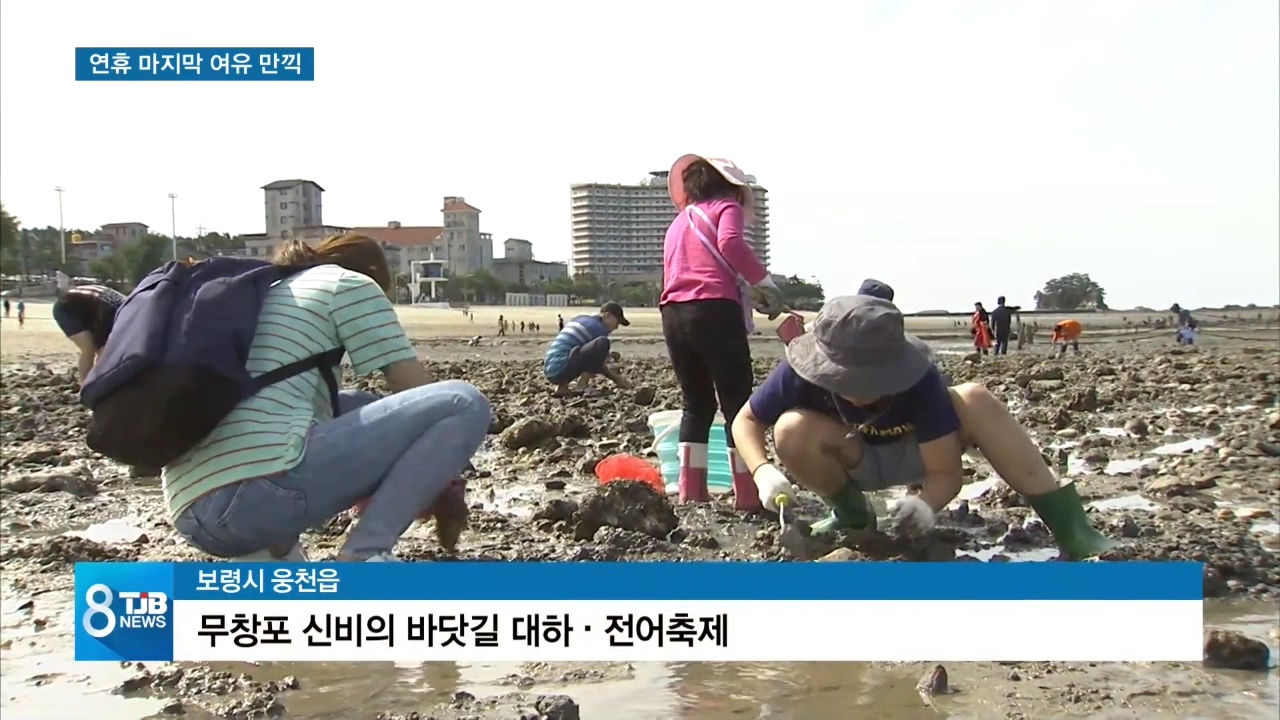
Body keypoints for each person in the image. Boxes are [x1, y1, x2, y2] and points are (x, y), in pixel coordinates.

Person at [166, 233, 490, 563]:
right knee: (463, 404)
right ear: (374, 271)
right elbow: (413, 390)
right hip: (250, 499)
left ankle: (274, 554)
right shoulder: (348, 284)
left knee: (352, 403)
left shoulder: (266, 292)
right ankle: (366, 551)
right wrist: (442, 479)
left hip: (192, 509)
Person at [730, 295, 1115, 560]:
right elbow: (746, 420)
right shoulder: (799, 373)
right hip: (849, 457)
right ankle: (852, 514)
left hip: (918, 454)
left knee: (974, 398)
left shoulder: (920, 378)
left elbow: (947, 472)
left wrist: (925, 505)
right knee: (790, 428)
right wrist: (762, 471)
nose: (860, 392)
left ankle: (1073, 531)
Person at [661, 154, 785, 509]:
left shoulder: (678, 222)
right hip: (714, 309)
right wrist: (765, 283)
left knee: (696, 404)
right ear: (732, 187)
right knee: (738, 405)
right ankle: (747, 495)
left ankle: (691, 492)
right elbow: (730, 244)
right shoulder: (725, 208)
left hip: (673, 313)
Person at [543, 302, 632, 397]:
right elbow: (596, 360)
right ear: (607, 315)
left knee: (572, 350)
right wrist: (617, 379)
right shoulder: (598, 328)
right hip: (561, 368)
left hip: (550, 369)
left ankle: (562, 387)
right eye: (617, 322)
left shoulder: (582, 319)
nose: (616, 327)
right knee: (603, 343)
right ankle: (582, 385)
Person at [51, 283, 128, 385]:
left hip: (88, 308)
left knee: (104, 349)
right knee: (89, 348)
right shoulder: (114, 314)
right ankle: (86, 387)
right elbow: (103, 350)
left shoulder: (127, 307)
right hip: (65, 308)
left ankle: (96, 381)